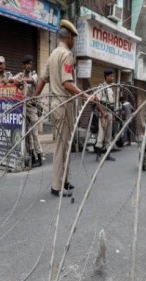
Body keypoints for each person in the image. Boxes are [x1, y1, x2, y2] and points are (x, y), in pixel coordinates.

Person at [34, 20, 101, 197]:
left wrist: (33, 98)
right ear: (69, 37)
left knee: (66, 145)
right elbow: (67, 83)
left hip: (57, 106)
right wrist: (86, 96)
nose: (74, 42)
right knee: (62, 147)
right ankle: (57, 186)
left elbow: (42, 79)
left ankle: (64, 180)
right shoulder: (67, 55)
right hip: (64, 105)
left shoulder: (52, 55)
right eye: (73, 38)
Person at [13, 55, 43, 167]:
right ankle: (32, 156)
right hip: (23, 107)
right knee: (26, 134)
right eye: (26, 64)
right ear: (23, 65)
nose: (28, 66)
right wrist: (14, 80)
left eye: (30, 63)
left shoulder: (34, 75)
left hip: (32, 107)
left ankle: (39, 156)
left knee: (35, 134)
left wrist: (22, 81)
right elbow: (12, 79)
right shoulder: (20, 75)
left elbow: (31, 80)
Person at [94, 69, 116, 162]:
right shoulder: (101, 87)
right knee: (101, 134)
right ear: (106, 77)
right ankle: (98, 155)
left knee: (108, 135)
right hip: (103, 114)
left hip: (110, 113)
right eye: (111, 76)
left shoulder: (111, 88)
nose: (112, 77)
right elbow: (96, 101)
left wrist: (113, 115)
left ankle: (108, 154)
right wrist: (103, 113)